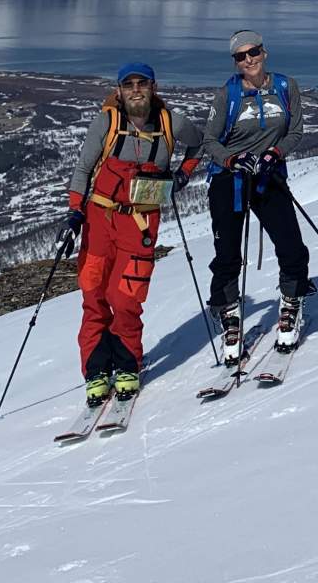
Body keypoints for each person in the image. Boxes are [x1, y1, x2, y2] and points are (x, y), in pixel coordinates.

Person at [64, 62, 205, 406]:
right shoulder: (107, 122)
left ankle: (127, 364)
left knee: (126, 297)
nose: (136, 89)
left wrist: (184, 174)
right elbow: (83, 169)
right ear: (120, 91)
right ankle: (96, 370)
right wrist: (74, 212)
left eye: (142, 83)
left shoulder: (172, 122)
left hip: (141, 222)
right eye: (129, 85)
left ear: (154, 87)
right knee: (94, 294)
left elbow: (199, 144)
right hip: (99, 219)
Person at [202, 29, 313, 362]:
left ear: (264, 52)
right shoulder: (227, 95)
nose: (249, 59)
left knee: (291, 245)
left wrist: (275, 153)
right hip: (229, 179)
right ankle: (229, 314)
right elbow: (210, 141)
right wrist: (232, 159)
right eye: (241, 56)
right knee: (227, 254)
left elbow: (296, 131)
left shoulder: (285, 86)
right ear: (235, 62)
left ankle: (291, 303)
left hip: (268, 174)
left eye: (254, 52)